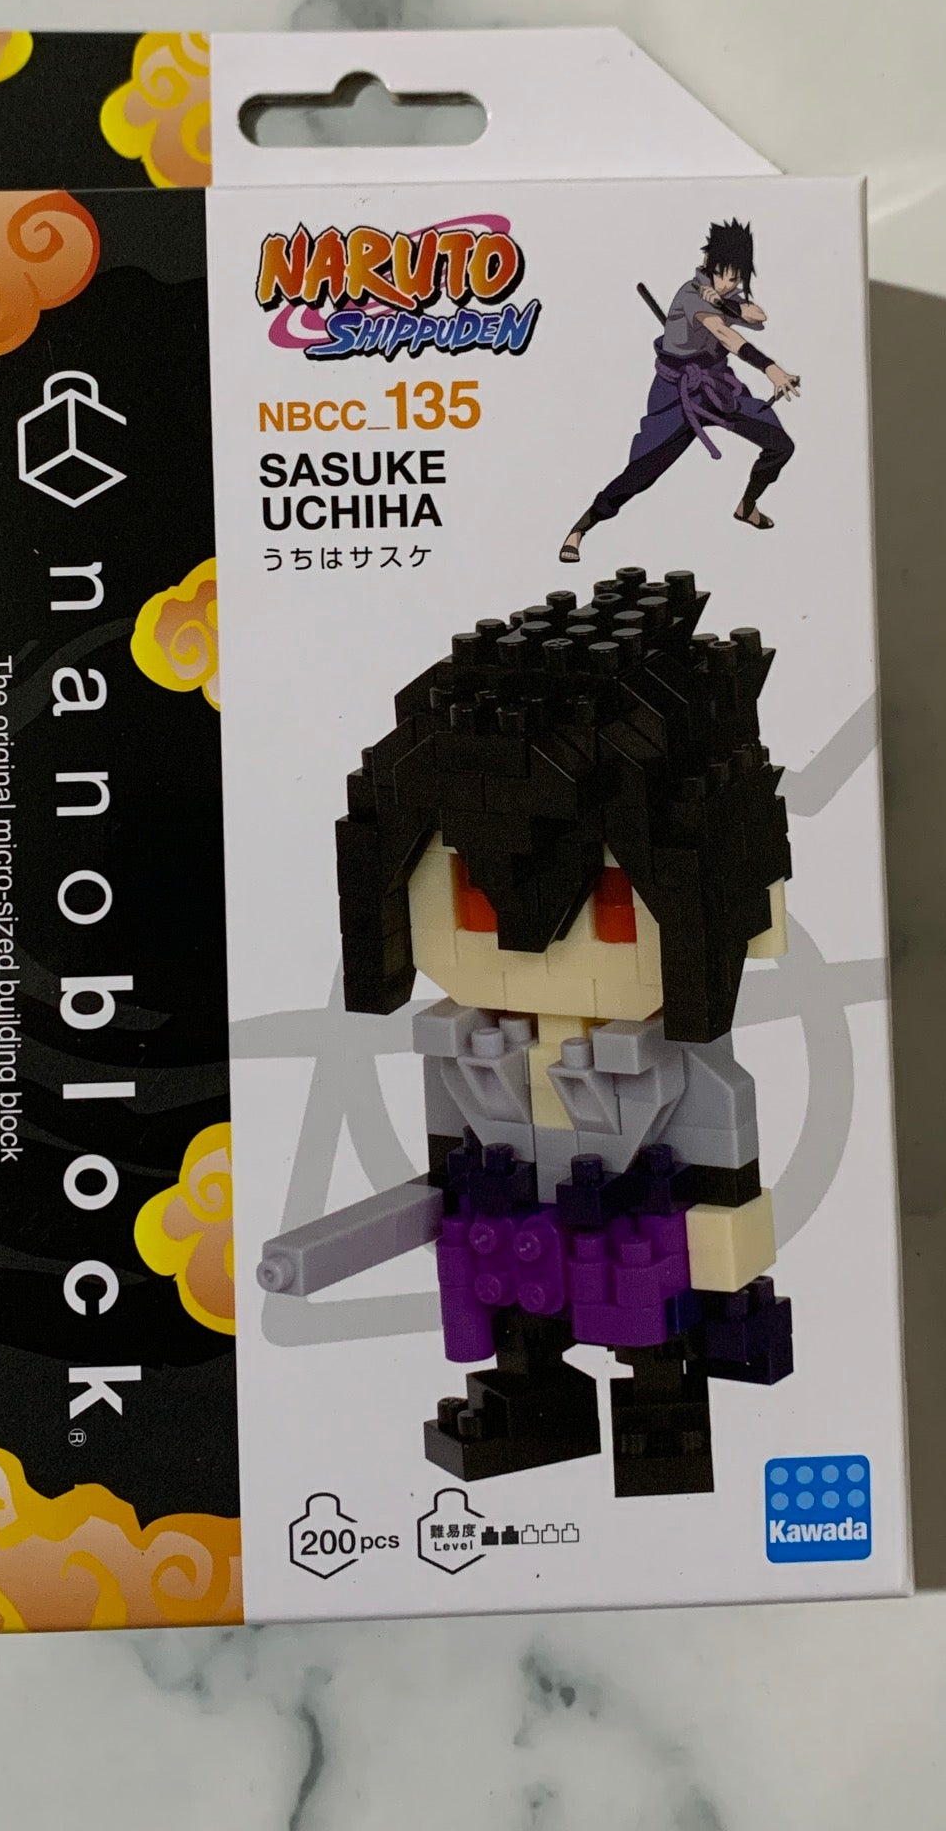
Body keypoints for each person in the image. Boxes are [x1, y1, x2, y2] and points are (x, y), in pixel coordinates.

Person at [255, 573, 795, 1496]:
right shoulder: (462, 1048)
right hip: (507, 1246)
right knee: (517, 1337)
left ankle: (661, 1419)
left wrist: (725, 1256)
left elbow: (720, 1162)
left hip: (639, 1246)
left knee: (655, 1351)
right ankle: (527, 1403)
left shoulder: (678, 1062)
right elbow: (443, 1169)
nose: (515, 944)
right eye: (470, 898)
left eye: (613, 906)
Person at [560, 220, 800, 564]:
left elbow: (759, 316)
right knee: (642, 471)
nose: (728, 284)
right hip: (675, 393)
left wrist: (727, 303)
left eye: (735, 279)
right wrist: (770, 368)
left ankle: (747, 506)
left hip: (717, 386)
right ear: (708, 265)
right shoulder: (690, 296)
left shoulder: (725, 296)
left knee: (780, 445)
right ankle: (581, 528)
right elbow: (725, 336)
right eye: (723, 275)